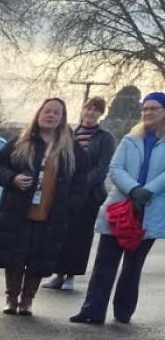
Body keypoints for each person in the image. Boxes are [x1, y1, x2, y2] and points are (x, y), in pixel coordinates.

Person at [0, 98, 87, 316]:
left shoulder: (71, 148)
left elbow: (82, 180)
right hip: (18, 210)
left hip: (50, 213)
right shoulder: (21, 141)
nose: (51, 115)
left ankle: (28, 299)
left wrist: (70, 205)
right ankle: (12, 297)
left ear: (62, 119)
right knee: (15, 255)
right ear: (39, 113)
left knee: (39, 257)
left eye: (56, 113)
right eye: (47, 111)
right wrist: (12, 178)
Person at [70, 91, 165, 325]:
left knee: (133, 265)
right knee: (105, 262)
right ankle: (92, 310)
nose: (148, 112)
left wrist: (147, 191)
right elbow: (115, 168)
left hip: (149, 209)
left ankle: (123, 311)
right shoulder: (130, 139)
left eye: (154, 108)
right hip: (120, 208)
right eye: (145, 108)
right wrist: (133, 189)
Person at [44, 96, 115, 291]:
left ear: (101, 114)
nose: (91, 113)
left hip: (89, 195)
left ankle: (71, 276)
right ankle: (58, 274)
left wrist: (82, 185)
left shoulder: (105, 138)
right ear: (83, 110)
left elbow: (102, 168)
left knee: (79, 237)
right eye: (88, 108)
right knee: (61, 234)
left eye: (96, 110)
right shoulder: (70, 133)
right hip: (65, 192)